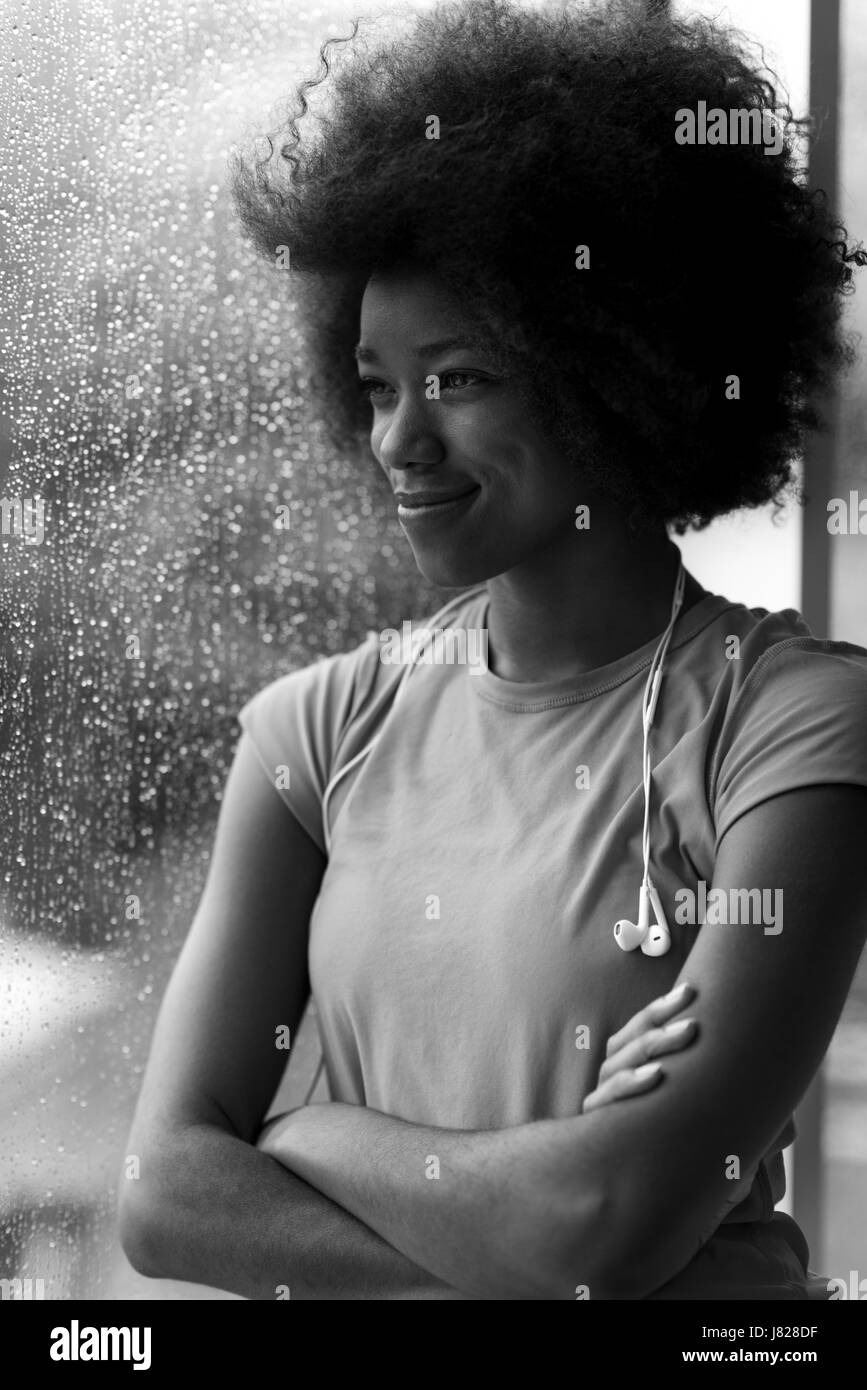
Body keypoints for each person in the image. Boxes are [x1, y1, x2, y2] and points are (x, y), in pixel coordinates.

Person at [118, 0, 867, 1299]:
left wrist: (305, 1135)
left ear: (614, 366)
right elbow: (168, 1198)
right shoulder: (313, 734)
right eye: (374, 384)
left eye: (456, 378)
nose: (398, 440)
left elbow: (602, 1221)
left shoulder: (793, 725)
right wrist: (511, 1231)